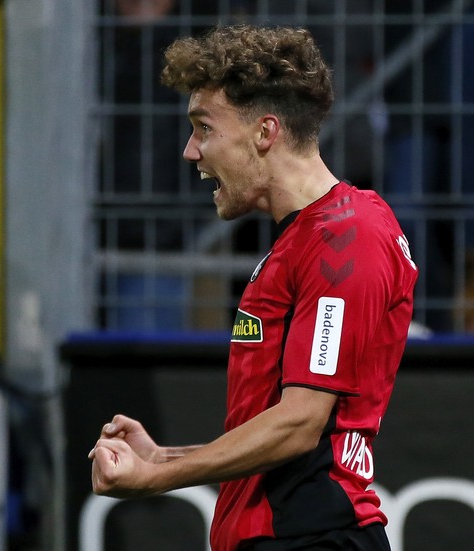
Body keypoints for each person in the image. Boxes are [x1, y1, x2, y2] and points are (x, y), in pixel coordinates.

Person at [89, 24, 418, 551]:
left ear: (265, 132)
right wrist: (162, 456)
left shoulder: (345, 239)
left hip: (313, 538)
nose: (190, 152)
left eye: (204, 128)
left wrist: (157, 479)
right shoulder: (311, 238)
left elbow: (299, 425)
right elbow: (285, 437)